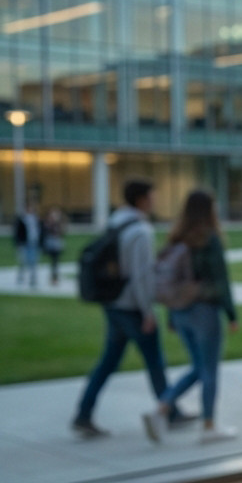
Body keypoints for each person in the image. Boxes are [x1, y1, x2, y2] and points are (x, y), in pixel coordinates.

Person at [72, 179, 179, 438]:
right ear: (142, 199)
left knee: (108, 361)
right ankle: (170, 411)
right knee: (154, 361)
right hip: (132, 306)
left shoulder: (116, 221)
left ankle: (83, 414)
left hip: (113, 302)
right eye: (152, 195)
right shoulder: (141, 231)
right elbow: (141, 276)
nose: (155, 200)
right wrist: (148, 311)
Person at [141, 189, 240, 444]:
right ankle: (209, 425)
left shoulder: (176, 238)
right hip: (204, 310)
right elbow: (221, 280)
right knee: (209, 370)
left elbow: (170, 282)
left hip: (180, 311)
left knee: (198, 367)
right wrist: (231, 314)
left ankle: (162, 408)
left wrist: (172, 316)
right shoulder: (208, 239)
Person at [12, 201, 40, 289]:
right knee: (22, 261)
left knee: (33, 261)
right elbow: (17, 233)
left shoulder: (35, 218)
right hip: (24, 243)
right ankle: (20, 277)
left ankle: (33, 278)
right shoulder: (21, 219)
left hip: (33, 242)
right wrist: (18, 243)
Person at [40, 206, 66, 285]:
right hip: (50, 244)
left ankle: (54, 278)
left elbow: (61, 233)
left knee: (55, 262)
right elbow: (45, 233)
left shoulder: (58, 224)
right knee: (53, 262)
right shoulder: (47, 223)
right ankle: (53, 278)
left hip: (56, 244)